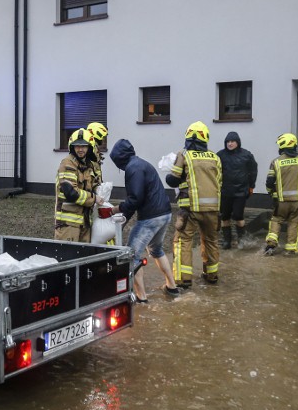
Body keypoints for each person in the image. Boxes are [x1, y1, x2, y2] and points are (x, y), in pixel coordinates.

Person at [109, 139, 180, 302]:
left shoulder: (132, 168)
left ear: (119, 158)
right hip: (165, 214)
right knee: (156, 250)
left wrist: (117, 209)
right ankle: (171, 286)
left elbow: (135, 199)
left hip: (151, 218)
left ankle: (141, 297)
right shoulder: (141, 164)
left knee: (131, 256)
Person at [166, 121, 222, 287]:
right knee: (211, 241)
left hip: (190, 209)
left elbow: (173, 179)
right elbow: (220, 183)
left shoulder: (184, 155)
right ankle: (212, 275)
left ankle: (184, 280)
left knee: (183, 241)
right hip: (213, 209)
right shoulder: (215, 157)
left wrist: (170, 173)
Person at [264, 133, 298, 256]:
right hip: (297, 200)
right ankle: (291, 249)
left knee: (276, 220)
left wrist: (271, 193)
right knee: (293, 223)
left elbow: (269, 182)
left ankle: (271, 243)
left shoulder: (275, 162)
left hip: (281, 201)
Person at [54, 128, 102, 242]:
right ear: (72, 147)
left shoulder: (88, 165)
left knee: (85, 258)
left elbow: (93, 185)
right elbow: (71, 193)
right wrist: (94, 198)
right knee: (68, 257)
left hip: (85, 223)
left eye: (84, 146)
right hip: (68, 225)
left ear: (89, 147)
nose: (80, 149)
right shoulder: (67, 163)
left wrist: (101, 190)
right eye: (77, 146)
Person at [216, 131, 257, 249]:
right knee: (225, 216)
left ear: (237, 142)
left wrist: (251, 186)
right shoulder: (220, 155)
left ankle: (241, 239)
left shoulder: (246, 155)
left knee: (238, 215)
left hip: (241, 191)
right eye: (228, 142)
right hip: (225, 192)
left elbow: (253, 171)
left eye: (232, 141)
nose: (230, 144)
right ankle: (227, 240)